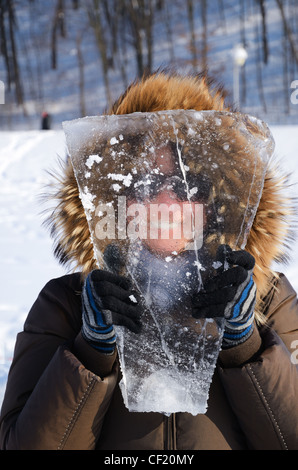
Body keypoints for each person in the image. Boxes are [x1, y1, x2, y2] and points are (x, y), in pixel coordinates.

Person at [1, 70, 298, 450]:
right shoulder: (65, 306)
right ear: (120, 201)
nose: (166, 203)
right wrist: (90, 352)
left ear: (213, 204)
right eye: (146, 184)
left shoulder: (269, 301)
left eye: (187, 186)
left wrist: (246, 346)